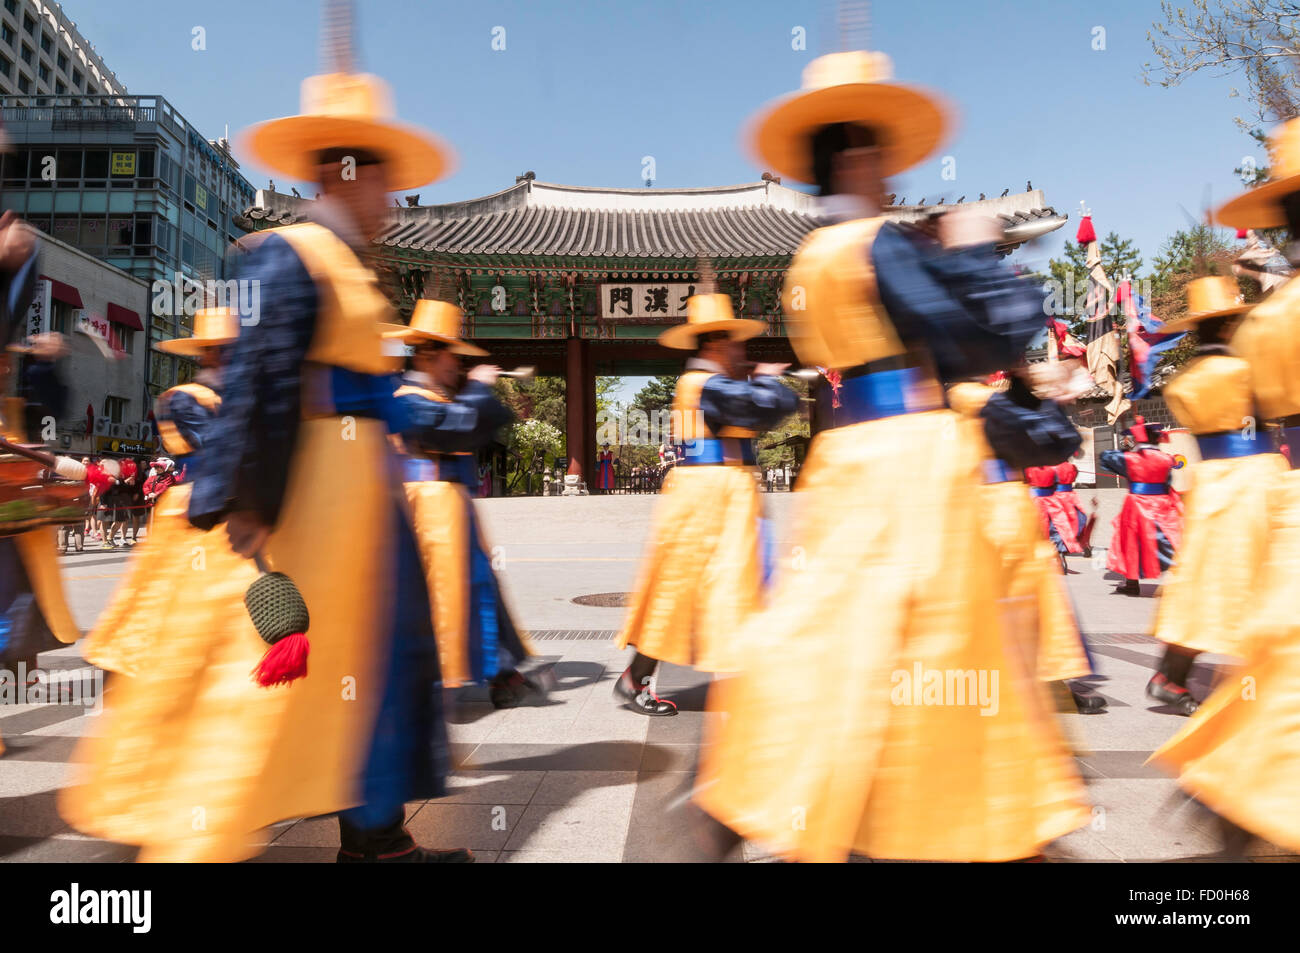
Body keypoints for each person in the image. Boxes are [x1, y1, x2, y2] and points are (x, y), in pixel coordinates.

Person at [61, 25, 472, 863]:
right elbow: (255, 379)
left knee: (370, 668)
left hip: (358, 502)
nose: (390, 198)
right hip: (314, 505)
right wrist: (243, 503)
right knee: (279, 689)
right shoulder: (282, 255)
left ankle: (376, 834)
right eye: (381, 177)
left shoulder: (344, 262)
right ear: (344, 170)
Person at [689, 48, 1089, 861]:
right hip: (911, 461)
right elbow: (975, 338)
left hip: (846, 458)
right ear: (861, 158)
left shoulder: (810, 257)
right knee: (936, 638)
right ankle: (947, 815)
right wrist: (979, 253)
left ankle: (765, 792)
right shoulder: (877, 242)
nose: (897, 178)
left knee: (834, 631)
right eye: (884, 158)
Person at [1150, 119, 1300, 854]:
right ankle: (1246, 795)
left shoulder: (1255, 335)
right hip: (1263, 473)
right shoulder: (1251, 345)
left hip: (1221, 477)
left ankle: (1242, 787)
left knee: (1221, 587)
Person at [613, 283, 798, 715]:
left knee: (692, 588)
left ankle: (640, 678)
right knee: (722, 584)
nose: (742, 350)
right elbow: (764, 408)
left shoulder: (703, 381)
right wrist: (770, 380)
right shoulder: (712, 385)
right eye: (736, 342)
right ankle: (732, 682)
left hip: (710, 493)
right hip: (712, 497)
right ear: (716, 342)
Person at [383, 294, 545, 709]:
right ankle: (435, 676)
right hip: (428, 507)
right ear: (428, 355)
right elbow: (453, 431)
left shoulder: (434, 397)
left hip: (450, 506)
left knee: (475, 585)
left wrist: (474, 394)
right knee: (442, 589)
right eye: (450, 355)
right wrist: (477, 391)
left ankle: (500, 670)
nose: (456, 364)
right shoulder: (408, 399)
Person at [74, 307, 241, 679]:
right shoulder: (183, 398)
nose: (231, 358)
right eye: (222, 350)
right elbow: (213, 446)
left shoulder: (243, 396)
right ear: (207, 354)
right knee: (170, 602)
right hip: (196, 506)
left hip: (240, 507)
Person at [1148, 277, 1287, 715]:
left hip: (1209, 482)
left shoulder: (1183, 382)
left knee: (1205, 581)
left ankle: (1171, 675)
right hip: (1257, 478)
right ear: (1228, 327)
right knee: (1271, 577)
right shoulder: (1247, 369)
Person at [0, 210, 82, 756]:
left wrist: (46, 366)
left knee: (17, 604)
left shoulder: (17, 360)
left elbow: (50, 408)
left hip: (13, 500)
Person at [1098, 417, 1183, 596]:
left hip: (1137, 504)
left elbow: (1105, 457)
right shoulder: (1166, 459)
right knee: (1166, 540)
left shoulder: (1131, 458)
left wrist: (1125, 449)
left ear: (1138, 439)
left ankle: (1132, 583)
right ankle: (1177, 577)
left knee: (1132, 543)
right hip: (1161, 503)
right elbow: (1168, 482)